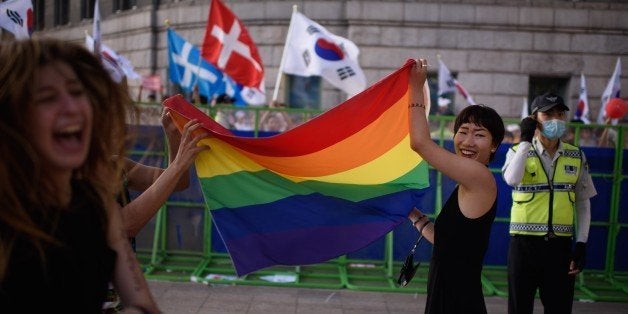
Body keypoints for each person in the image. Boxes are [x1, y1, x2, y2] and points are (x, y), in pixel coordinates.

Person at [0, 39, 159, 312]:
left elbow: (143, 305)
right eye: (47, 97)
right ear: (12, 118)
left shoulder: (97, 205)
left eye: (77, 92)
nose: (72, 108)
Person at [407, 59, 505, 313]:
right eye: (463, 131)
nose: (468, 141)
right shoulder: (468, 184)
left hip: (459, 302)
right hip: (445, 297)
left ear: (494, 146)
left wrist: (415, 87)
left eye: (480, 134)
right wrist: (413, 215)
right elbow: (446, 242)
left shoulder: (480, 177)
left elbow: (419, 143)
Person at [502, 92, 597, 313]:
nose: (556, 119)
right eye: (548, 114)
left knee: (559, 308)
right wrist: (525, 140)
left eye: (560, 113)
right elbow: (512, 179)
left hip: (560, 248)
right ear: (534, 119)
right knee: (519, 309)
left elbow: (583, 204)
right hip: (523, 246)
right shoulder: (517, 152)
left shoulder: (576, 156)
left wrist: (581, 244)